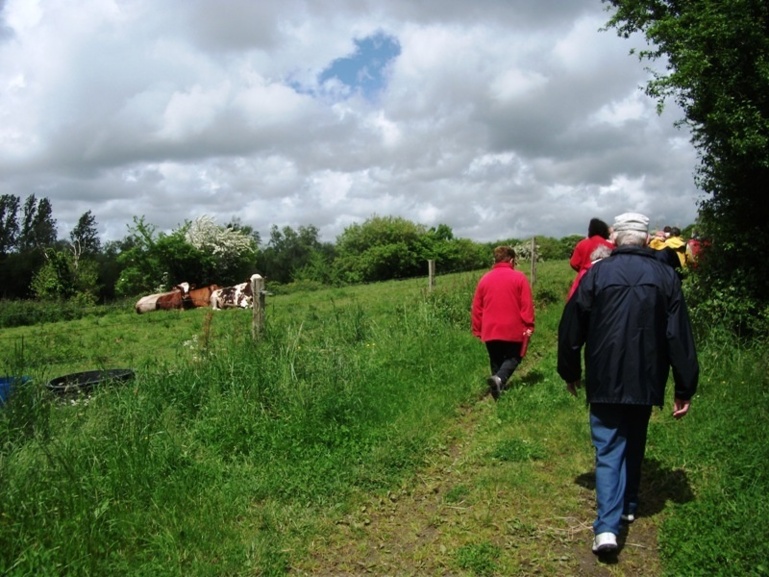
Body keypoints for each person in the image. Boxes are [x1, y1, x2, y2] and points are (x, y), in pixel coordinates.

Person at [557, 212, 699, 556]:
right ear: (646, 238)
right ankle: (629, 503)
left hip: (604, 376)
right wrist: (684, 386)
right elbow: (678, 336)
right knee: (634, 441)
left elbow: (571, 327)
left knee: (608, 448)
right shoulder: (666, 276)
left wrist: (570, 371)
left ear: (617, 238)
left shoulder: (596, 274)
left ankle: (606, 528)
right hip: (646, 376)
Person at [472, 246, 535, 400]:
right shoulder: (519, 278)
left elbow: (477, 307)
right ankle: (499, 381)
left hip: (490, 328)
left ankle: (498, 394)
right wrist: (529, 324)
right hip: (512, 328)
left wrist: (477, 329)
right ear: (512, 260)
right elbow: (526, 304)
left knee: (496, 359)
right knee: (514, 357)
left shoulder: (484, 279)